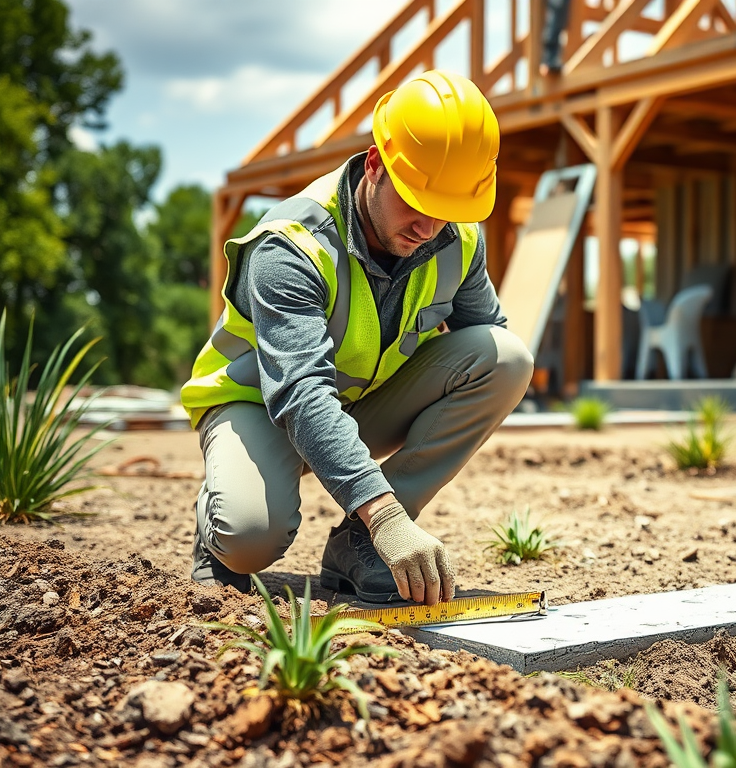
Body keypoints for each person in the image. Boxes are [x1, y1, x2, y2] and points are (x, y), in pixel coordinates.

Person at [180, 70, 534, 607]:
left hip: (357, 404)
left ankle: (358, 543)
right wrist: (388, 515)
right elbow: (301, 394)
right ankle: (217, 534)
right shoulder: (291, 246)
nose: (428, 228)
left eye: (446, 212)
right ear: (375, 164)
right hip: (259, 404)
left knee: (505, 359)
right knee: (249, 538)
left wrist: (383, 513)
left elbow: (483, 349)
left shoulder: (456, 238)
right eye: (415, 201)